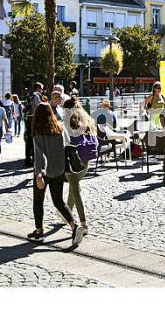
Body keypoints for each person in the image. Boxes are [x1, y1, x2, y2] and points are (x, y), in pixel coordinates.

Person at [28, 102, 84, 245]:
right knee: (59, 201)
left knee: (38, 201)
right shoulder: (60, 128)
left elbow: (39, 156)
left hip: (45, 172)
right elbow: (66, 147)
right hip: (59, 170)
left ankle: (39, 232)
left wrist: (39, 174)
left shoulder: (38, 131)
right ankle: (74, 226)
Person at [63, 98, 94, 236]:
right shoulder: (86, 118)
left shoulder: (67, 121)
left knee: (75, 189)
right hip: (85, 159)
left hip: (72, 159)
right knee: (73, 187)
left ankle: (83, 223)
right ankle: (66, 214)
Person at [24, 82, 44, 167]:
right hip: (34, 119)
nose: (42, 91)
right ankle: (34, 159)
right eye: (42, 88)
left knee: (29, 140)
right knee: (35, 139)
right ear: (38, 88)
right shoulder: (36, 95)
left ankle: (28, 159)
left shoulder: (29, 94)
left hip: (28, 118)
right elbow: (39, 107)